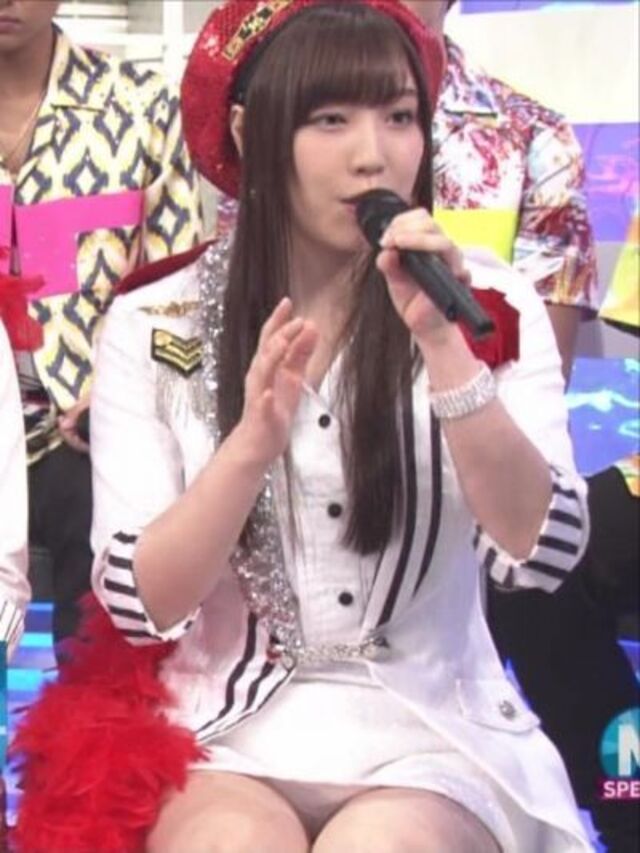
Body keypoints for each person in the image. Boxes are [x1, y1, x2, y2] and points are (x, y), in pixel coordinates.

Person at [14, 2, 594, 850]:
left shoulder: (491, 305)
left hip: (436, 727)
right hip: (224, 729)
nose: (372, 154)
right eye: (330, 119)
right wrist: (250, 447)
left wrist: (446, 351)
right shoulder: (154, 320)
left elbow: (541, 554)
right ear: (248, 132)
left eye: (399, 116)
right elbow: (140, 605)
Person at [402, 5, 639, 851]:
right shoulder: (284, 127)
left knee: (540, 561)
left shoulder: (532, 134)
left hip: (482, 456)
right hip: (341, 482)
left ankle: (623, 802)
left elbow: (546, 359)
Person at [0, 0, 202, 654]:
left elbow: (181, 290)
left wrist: (119, 395)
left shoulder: (141, 105)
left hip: (95, 431)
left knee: (111, 660)